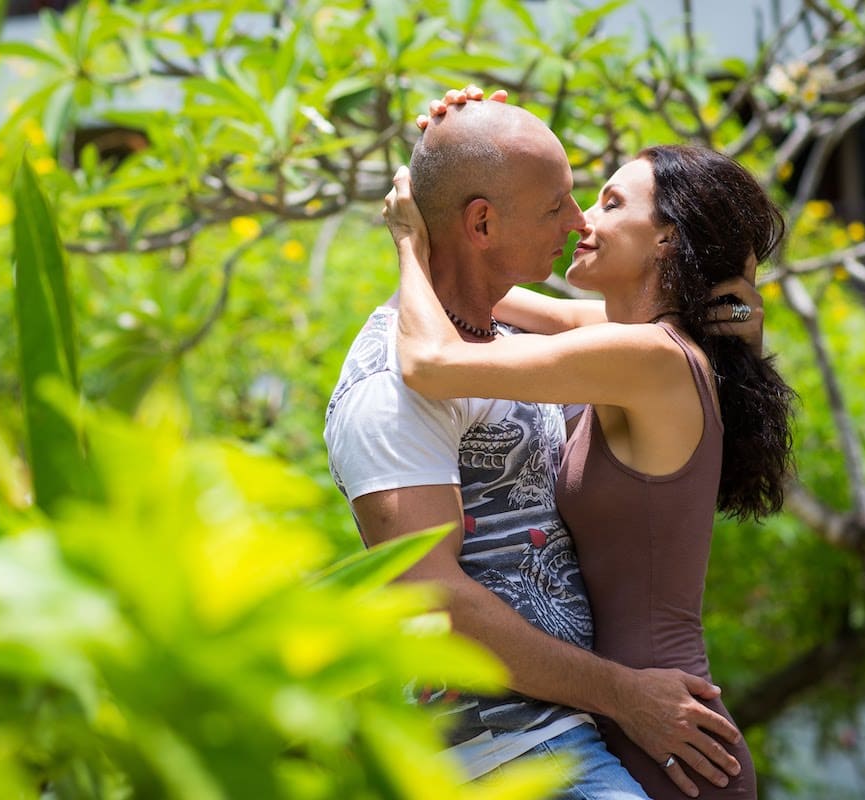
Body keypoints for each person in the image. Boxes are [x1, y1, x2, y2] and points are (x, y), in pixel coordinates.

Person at [325, 95, 763, 799]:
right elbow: (483, 291)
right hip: (619, 719)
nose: (581, 219)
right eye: (562, 203)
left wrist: (410, 239)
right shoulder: (622, 335)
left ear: (666, 242)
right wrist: (464, 152)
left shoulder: (650, 355)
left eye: (607, 203)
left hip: (667, 732)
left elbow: (433, 360)